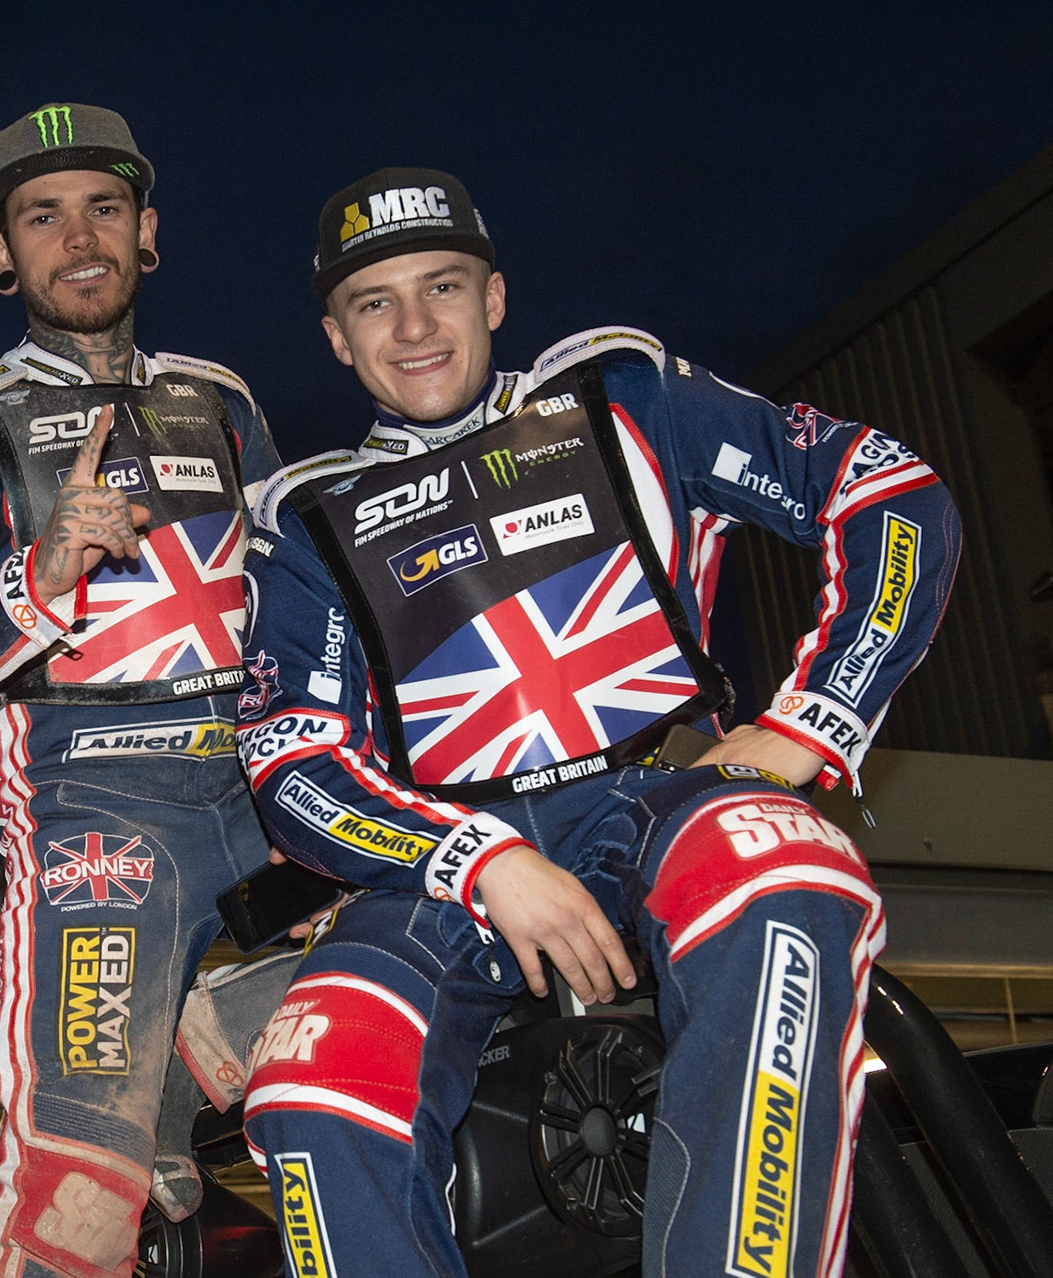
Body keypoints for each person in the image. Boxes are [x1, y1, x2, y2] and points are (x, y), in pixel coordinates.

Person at [237, 168, 959, 1276]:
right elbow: (290, 761)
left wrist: (819, 719)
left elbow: (886, 487)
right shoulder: (307, 521)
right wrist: (477, 862)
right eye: (376, 302)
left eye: (443, 285)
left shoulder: (623, 397)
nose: (416, 325)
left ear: (496, 297)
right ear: (338, 340)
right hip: (450, 867)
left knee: (789, 882)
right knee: (307, 1081)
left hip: (664, 801)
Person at [0, 103, 284, 1278]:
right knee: (73, 1192)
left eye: (104, 208)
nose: (78, 237)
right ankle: (136, 1104)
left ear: (148, 230)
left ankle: (198, 1055)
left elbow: (307, 612)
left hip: (267, 793)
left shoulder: (227, 401)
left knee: (441, 952)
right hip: (99, 817)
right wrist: (35, 580)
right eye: (40, 217)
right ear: (2, 254)